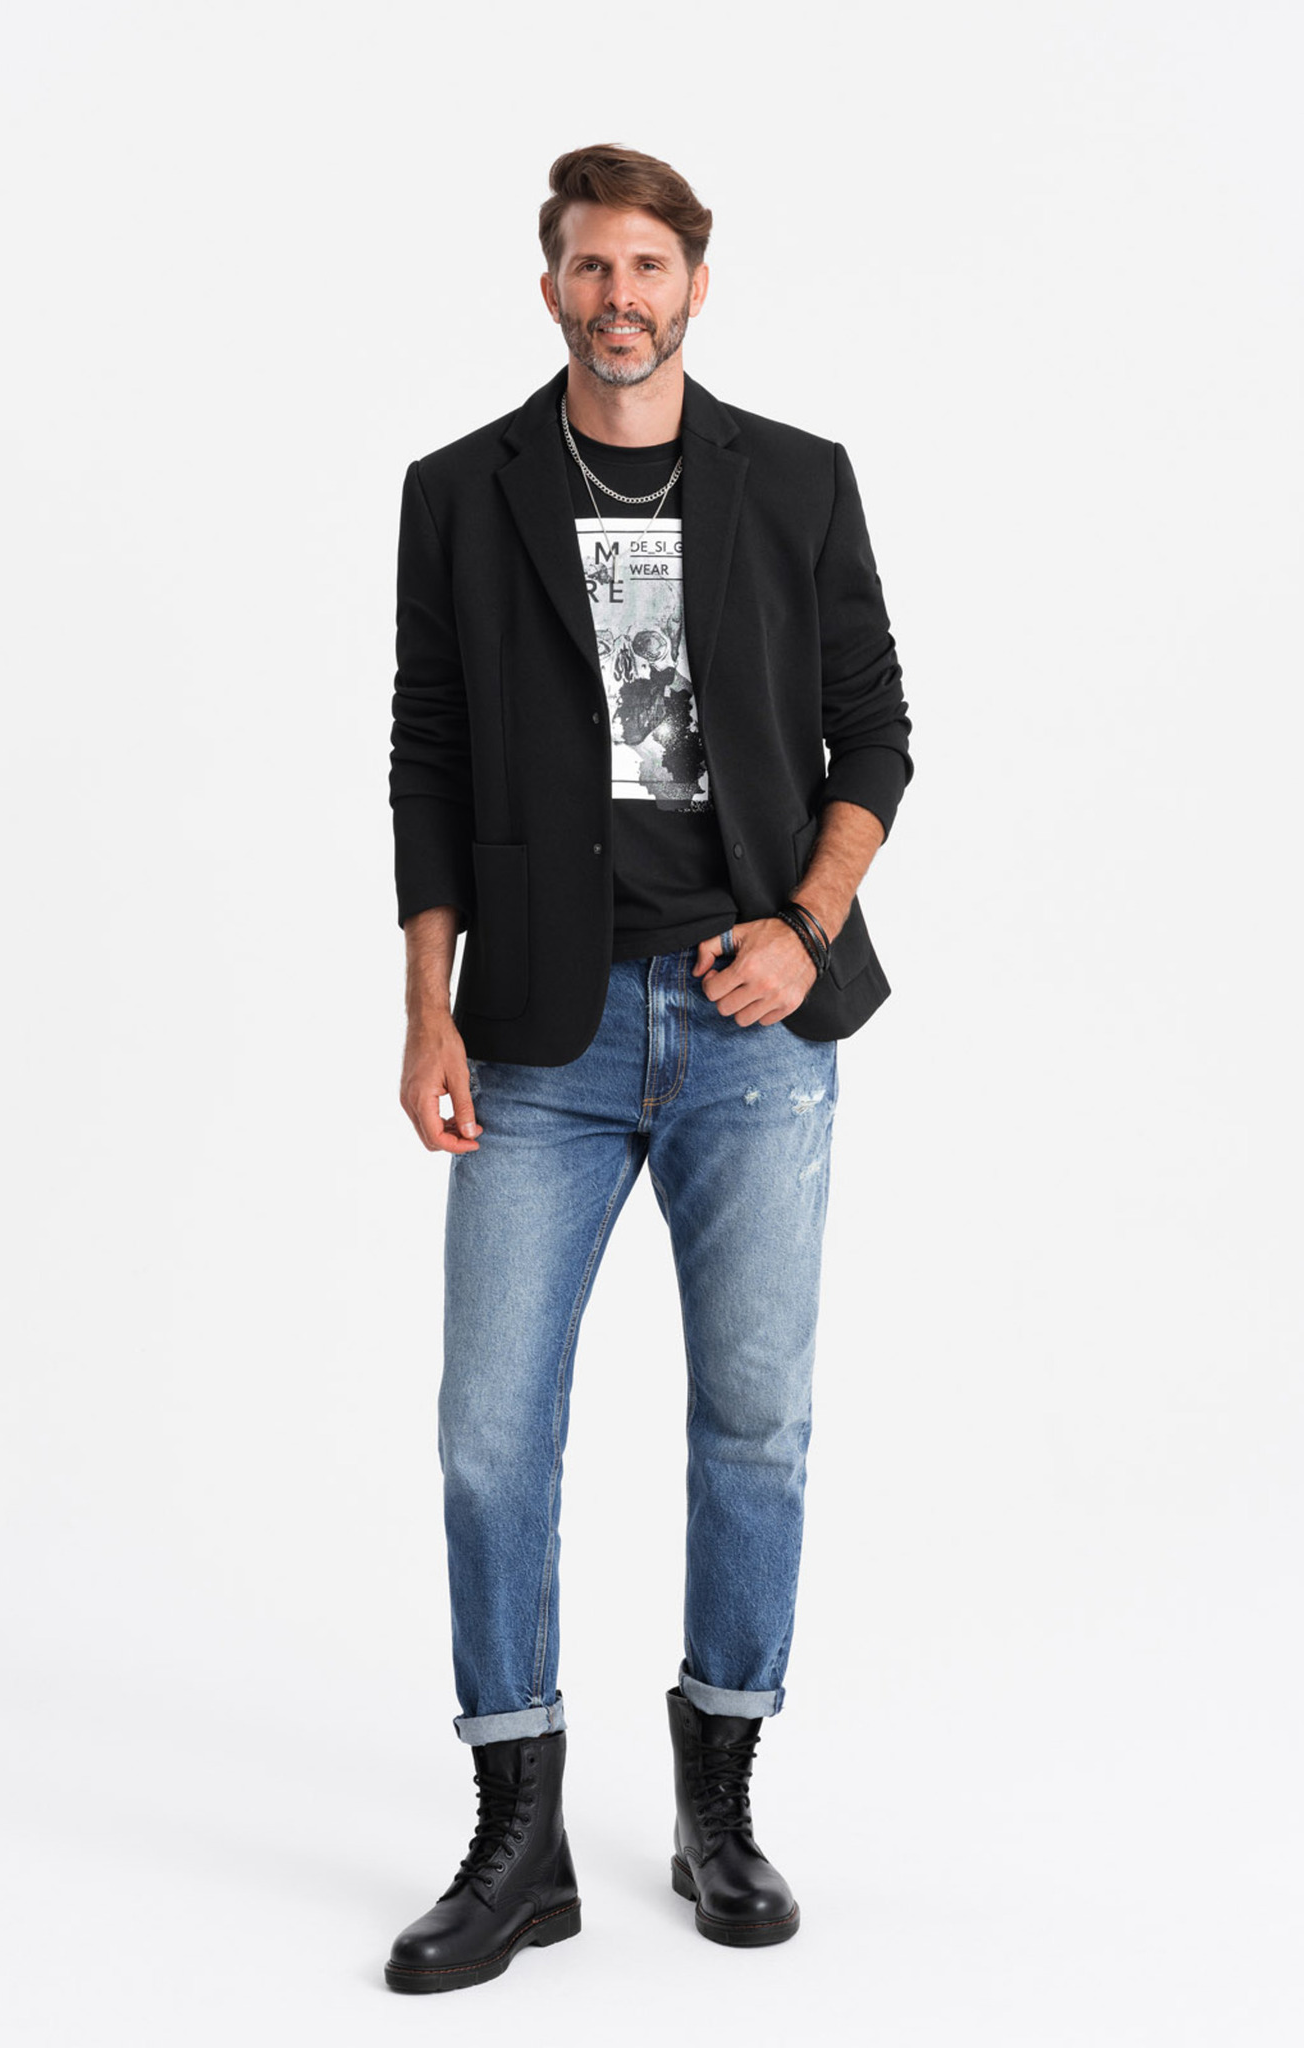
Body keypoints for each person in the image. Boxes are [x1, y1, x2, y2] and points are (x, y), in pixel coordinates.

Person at [382, 143, 915, 1994]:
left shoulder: (799, 480)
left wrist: (808, 928)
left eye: (649, 267)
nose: (620, 297)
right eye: (590, 267)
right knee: (488, 1435)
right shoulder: (461, 494)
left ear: (697, 284)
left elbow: (877, 732)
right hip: (542, 1025)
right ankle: (518, 1836)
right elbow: (426, 756)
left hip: (753, 1019)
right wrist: (428, 1003)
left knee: (755, 1421)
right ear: (550, 287)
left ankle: (719, 1800)